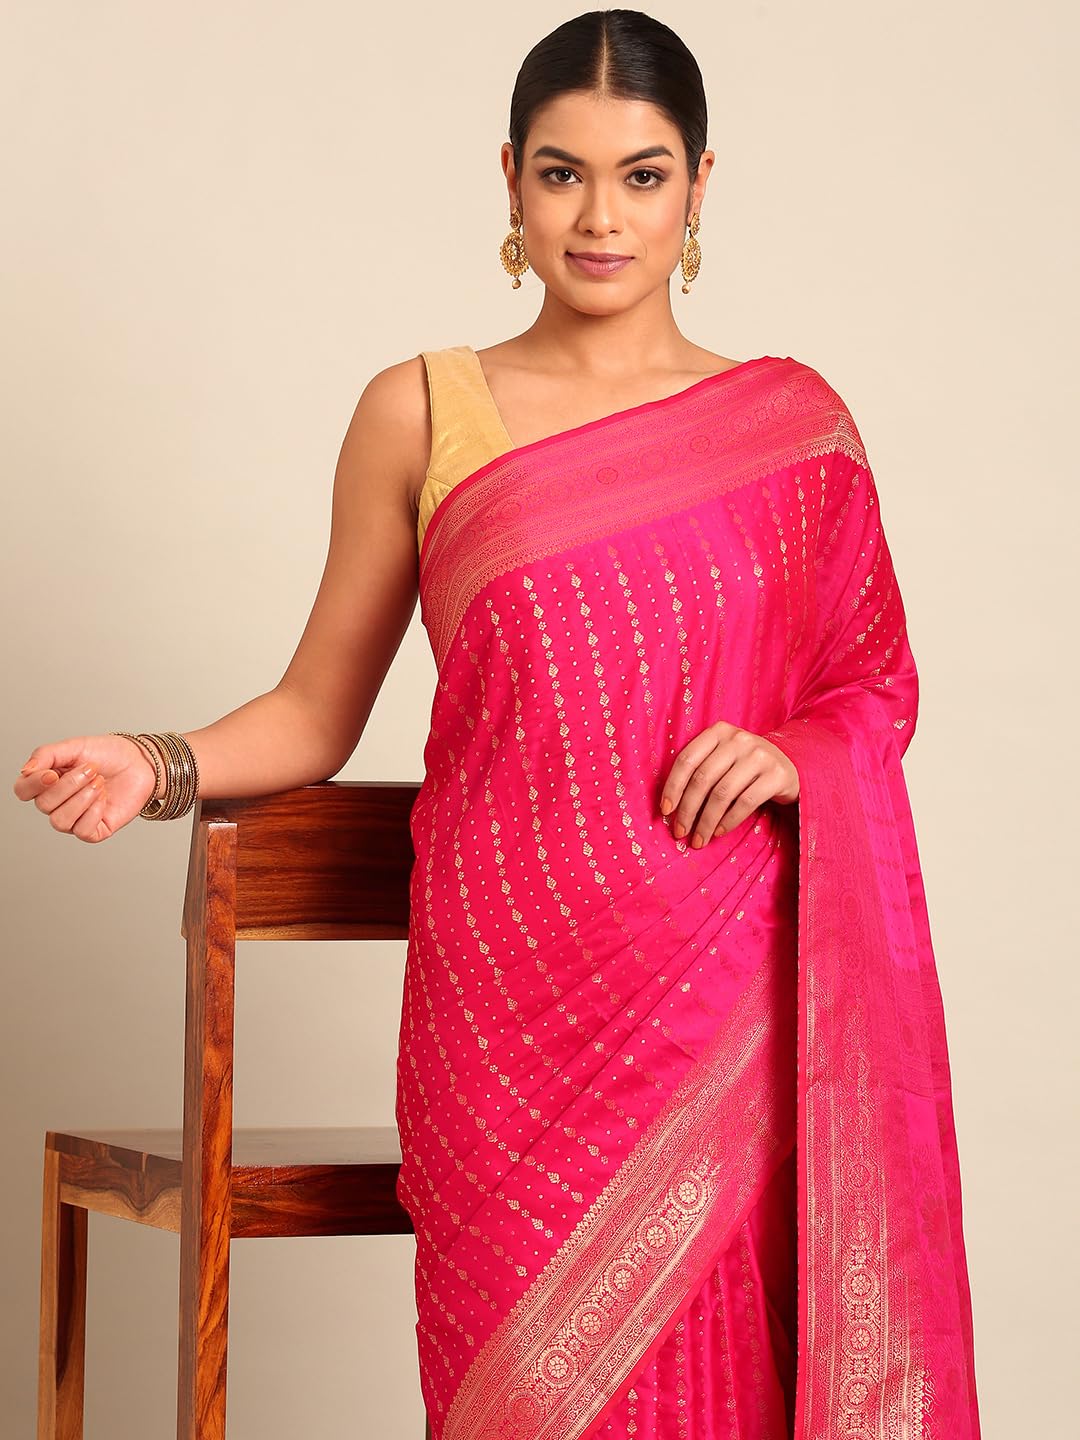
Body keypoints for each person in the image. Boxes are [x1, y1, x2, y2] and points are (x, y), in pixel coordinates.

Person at [13, 9, 982, 1438]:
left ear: (701, 184)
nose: (601, 218)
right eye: (561, 173)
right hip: (506, 1022)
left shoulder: (792, 431)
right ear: (511, 179)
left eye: (642, 176)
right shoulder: (421, 411)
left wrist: (797, 752)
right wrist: (155, 764)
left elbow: (872, 683)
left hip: (725, 1007)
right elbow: (314, 710)